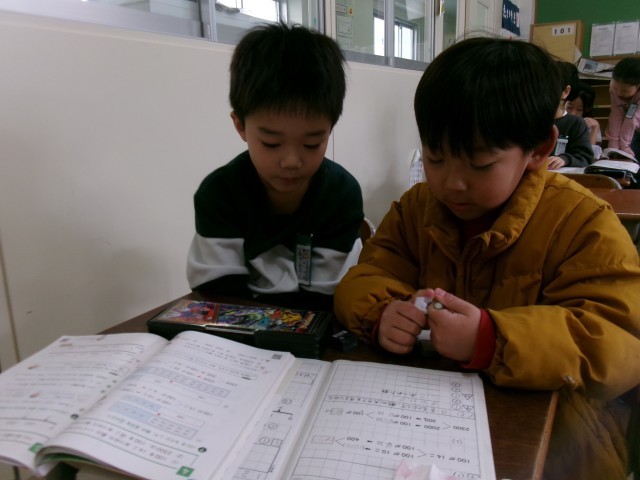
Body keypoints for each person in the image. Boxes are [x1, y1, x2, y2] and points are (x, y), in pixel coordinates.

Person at [334, 37, 640, 480]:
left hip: (559, 442)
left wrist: (493, 339)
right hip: (426, 423)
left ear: (539, 149)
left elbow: (620, 342)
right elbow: (368, 274)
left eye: (479, 165)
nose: (452, 183)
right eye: (436, 158)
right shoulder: (416, 209)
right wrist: (382, 311)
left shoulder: (581, 222)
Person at [187, 22, 364, 311]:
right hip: (240, 325)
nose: (291, 161)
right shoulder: (219, 194)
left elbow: (327, 299)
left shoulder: (340, 194)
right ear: (240, 126)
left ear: (329, 130)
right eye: (271, 143)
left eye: (312, 144)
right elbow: (219, 294)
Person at [548, 61, 594, 169]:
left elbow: (585, 158)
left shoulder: (576, 123)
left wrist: (565, 159)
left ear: (565, 92)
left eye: (550, 89)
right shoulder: (528, 120)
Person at [606, 57, 640, 159]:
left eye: (625, 91)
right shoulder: (614, 86)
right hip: (630, 129)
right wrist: (613, 146)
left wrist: (624, 146)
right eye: (617, 88)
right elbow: (616, 115)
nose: (619, 93)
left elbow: (632, 118)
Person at [566, 81, 603, 157]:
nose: (573, 113)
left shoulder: (589, 124)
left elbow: (590, 153)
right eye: (569, 107)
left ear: (587, 109)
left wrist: (594, 129)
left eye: (579, 109)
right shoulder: (558, 119)